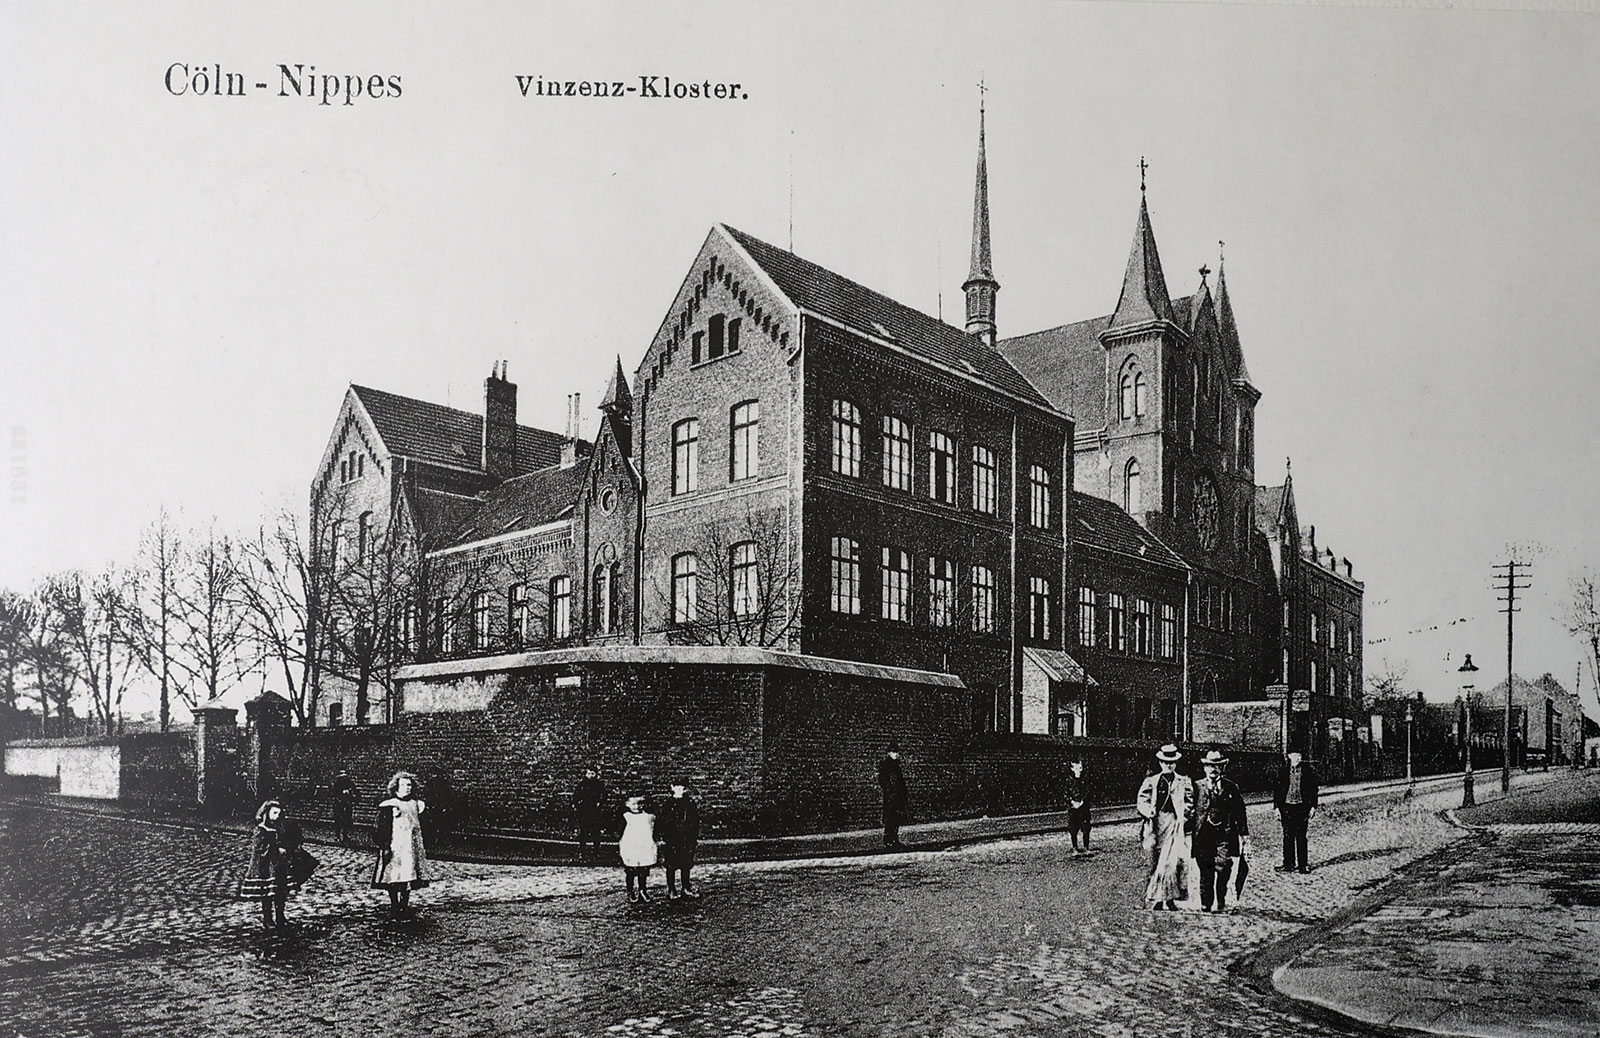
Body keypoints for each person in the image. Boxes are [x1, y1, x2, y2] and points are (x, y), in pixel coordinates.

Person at [1189, 749, 1250, 914]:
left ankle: (1221, 898)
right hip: (1203, 835)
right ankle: (1206, 904)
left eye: (1217, 766)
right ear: (1204, 768)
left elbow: (1240, 811)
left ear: (1222, 768)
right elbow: (1188, 809)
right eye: (1209, 766)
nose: (1213, 769)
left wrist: (1244, 834)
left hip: (1224, 834)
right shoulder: (1196, 786)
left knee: (1223, 868)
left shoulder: (1231, 787)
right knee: (1205, 870)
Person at [1136, 744, 1192, 910]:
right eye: (1165, 762)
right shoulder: (1152, 781)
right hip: (1156, 824)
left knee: (1171, 863)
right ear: (1160, 762)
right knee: (1157, 861)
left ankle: (1167, 900)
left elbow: (1189, 802)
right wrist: (1149, 811)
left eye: (1172, 762)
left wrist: (1184, 814)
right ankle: (1158, 899)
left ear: (1176, 763)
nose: (1169, 765)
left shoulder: (1183, 781)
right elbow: (1142, 800)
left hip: (1175, 824)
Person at [371, 770, 430, 919]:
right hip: (395, 845)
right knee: (393, 875)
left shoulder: (416, 804)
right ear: (396, 787)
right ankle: (394, 904)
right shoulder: (390, 805)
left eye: (410, 785)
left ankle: (404, 903)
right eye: (404, 785)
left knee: (409, 874)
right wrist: (384, 846)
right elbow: (380, 828)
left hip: (411, 846)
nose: (408, 788)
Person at [237, 799, 302, 932]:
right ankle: (267, 919)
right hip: (265, 867)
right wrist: (276, 849)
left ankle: (280, 916)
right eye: (274, 813)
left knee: (281, 891)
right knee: (267, 892)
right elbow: (260, 850)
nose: (276, 816)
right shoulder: (261, 830)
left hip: (279, 865)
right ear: (266, 813)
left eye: (279, 813)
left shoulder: (280, 828)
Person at [1273, 750, 1319, 874]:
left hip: (1301, 808)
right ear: (1289, 756)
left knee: (1301, 837)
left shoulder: (1308, 771)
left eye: (1299, 755)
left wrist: (1313, 807)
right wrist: (1276, 808)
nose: (1297, 758)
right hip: (1286, 808)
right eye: (1294, 756)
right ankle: (1288, 864)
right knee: (1287, 836)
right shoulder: (1283, 771)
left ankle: (1303, 865)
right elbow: (1277, 790)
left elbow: (1314, 789)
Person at [657, 783, 702, 900]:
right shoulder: (668, 804)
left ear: (684, 788)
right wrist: (662, 837)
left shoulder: (690, 803)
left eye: (681, 787)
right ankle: (671, 889)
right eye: (676, 786)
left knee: (686, 864)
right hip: (672, 839)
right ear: (672, 788)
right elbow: (662, 821)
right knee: (671, 865)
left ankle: (686, 887)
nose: (678, 789)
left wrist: (693, 837)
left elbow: (695, 821)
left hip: (686, 839)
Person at [618, 795, 658, 903]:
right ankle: (630, 891)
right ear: (627, 804)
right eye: (633, 804)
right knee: (631, 871)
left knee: (643, 871)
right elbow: (620, 831)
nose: (637, 807)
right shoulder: (626, 816)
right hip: (631, 846)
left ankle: (642, 890)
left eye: (639, 803)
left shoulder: (648, 816)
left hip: (643, 846)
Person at [573, 767, 611, 861]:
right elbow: (576, 795)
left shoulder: (598, 785)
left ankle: (596, 852)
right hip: (584, 811)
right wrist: (578, 804)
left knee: (595, 832)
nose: (590, 776)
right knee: (583, 832)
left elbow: (604, 795)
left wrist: (600, 803)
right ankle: (582, 852)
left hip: (595, 811)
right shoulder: (582, 785)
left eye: (592, 773)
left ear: (596, 774)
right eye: (589, 773)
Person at [877, 742, 909, 849]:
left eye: (896, 752)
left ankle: (894, 839)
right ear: (889, 753)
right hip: (891, 797)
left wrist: (903, 793)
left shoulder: (896, 766)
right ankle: (888, 840)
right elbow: (883, 780)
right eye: (893, 752)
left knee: (896, 818)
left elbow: (900, 781)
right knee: (890, 819)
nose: (896, 754)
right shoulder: (885, 765)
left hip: (897, 796)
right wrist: (889, 790)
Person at [1063, 759, 1092, 857]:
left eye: (1080, 768)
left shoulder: (1085, 780)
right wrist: (1072, 802)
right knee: (1073, 828)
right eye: (1076, 768)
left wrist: (1082, 802)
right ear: (1072, 769)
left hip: (1083, 808)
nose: (1079, 770)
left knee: (1086, 827)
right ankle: (1074, 848)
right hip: (1073, 808)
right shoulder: (1069, 781)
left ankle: (1086, 847)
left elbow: (1088, 792)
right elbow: (1066, 794)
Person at [330, 769, 357, 845]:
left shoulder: (349, 783)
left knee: (347, 820)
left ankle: (345, 835)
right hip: (338, 803)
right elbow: (333, 793)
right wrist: (341, 793)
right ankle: (337, 835)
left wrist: (351, 793)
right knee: (338, 820)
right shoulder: (336, 783)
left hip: (347, 803)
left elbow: (355, 791)